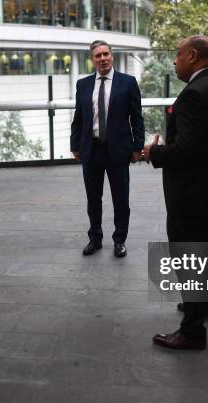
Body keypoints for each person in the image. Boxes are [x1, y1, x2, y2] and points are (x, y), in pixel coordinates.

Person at [142, 35, 208, 350]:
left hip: (192, 190)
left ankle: (192, 330)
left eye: (178, 55)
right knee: (202, 244)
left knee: (188, 254)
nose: (174, 60)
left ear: (193, 55)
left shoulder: (195, 93)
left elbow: (185, 150)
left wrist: (153, 152)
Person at [70, 40, 144, 258]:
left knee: (121, 199)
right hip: (91, 149)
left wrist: (138, 146)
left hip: (118, 151)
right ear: (92, 59)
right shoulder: (83, 84)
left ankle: (119, 240)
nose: (102, 59)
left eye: (105, 54)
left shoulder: (127, 82)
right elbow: (79, 118)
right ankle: (95, 238)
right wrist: (75, 145)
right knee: (93, 198)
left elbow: (137, 118)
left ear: (111, 56)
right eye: (97, 56)